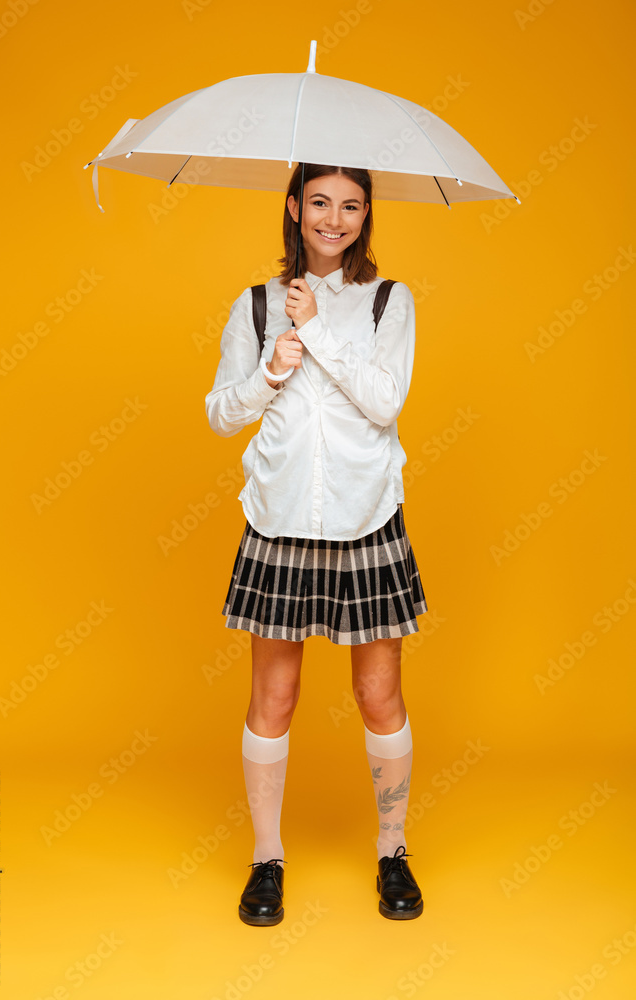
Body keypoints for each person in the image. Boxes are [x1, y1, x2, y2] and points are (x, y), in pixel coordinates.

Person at [205, 162, 429, 925]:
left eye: (352, 206)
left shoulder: (387, 303)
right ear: (294, 207)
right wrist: (270, 368)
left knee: (377, 694)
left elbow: (384, 401)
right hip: (279, 520)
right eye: (321, 202)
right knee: (274, 696)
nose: (334, 219)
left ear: (367, 216)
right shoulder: (256, 303)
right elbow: (220, 413)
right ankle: (266, 860)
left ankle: (391, 851)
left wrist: (319, 329)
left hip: (366, 519)